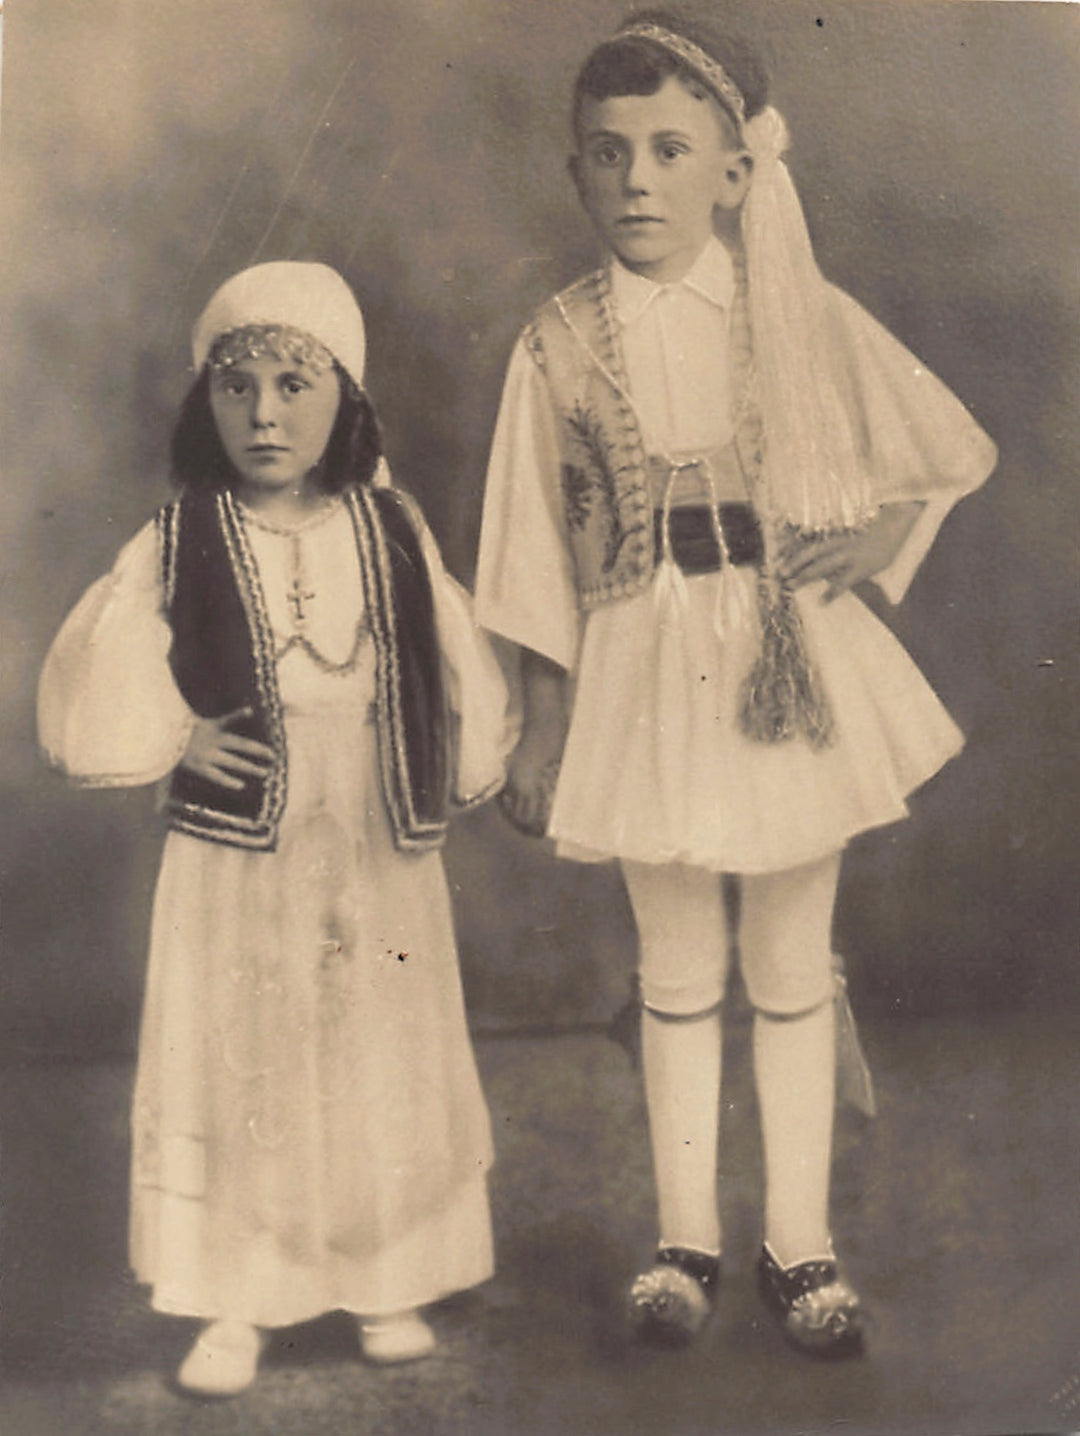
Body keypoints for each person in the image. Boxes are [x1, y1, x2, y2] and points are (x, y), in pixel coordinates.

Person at [475, 10, 996, 1357]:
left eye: (667, 150)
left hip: (783, 649)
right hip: (643, 658)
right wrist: (539, 718)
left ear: (733, 171)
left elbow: (948, 450)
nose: (637, 181)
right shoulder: (557, 345)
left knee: (787, 962)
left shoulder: (794, 310)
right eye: (607, 154)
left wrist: (881, 535)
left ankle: (802, 1247)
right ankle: (683, 1240)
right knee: (674, 962)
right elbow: (529, 547)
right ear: (576, 172)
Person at [38, 261, 510, 1395]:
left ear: (346, 398)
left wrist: (469, 749)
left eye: (295, 384)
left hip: (373, 837)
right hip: (239, 850)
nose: (265, 414)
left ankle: (383, 1274)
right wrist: (173, 737)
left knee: (373, 1042)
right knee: (243, 1047)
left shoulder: (390, 525)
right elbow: (103, 656)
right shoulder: (180, 532)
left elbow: (459, 661)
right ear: (205, 403)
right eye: (238, 387)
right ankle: (236, 1293)